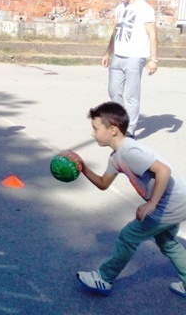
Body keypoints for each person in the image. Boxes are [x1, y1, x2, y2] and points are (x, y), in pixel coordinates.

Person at [74, 101, 186, 299]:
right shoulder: (116, 156)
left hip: (169, 203)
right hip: (178, 201)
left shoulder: (129, 151)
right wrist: (82, 167)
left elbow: (163, 170)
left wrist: (151, 203)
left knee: (128, 236)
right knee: (167, 242)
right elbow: (103, 183)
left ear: (113, 130)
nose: (92, 133)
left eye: (96, 128)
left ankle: (104, 278)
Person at [101, 0, 158, 139]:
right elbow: (115, 32)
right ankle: (121, 121)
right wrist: (108, 53)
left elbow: (152, 34)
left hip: (135, 57)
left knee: (132, 95)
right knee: (114, 92)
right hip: (117, 56)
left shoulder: (145, 8)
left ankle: (130, 129)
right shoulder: (120, 8)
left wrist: (153, 59)